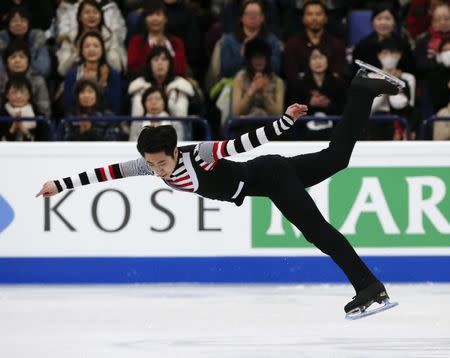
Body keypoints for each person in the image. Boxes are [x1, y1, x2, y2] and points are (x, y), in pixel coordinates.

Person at [36, 65, 403, 317]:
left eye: (160, 164)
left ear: (175, 152)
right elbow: (105, 173)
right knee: (336, 157)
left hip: (270, 174)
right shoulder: (147, 163)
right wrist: (59, 184)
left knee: (317, 232)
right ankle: (362, 89)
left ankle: (368, 287)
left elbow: (242, 144)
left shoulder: (200, 155)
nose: (155, 170)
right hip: (265, 178)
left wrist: (284, 122)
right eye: (150, 164)